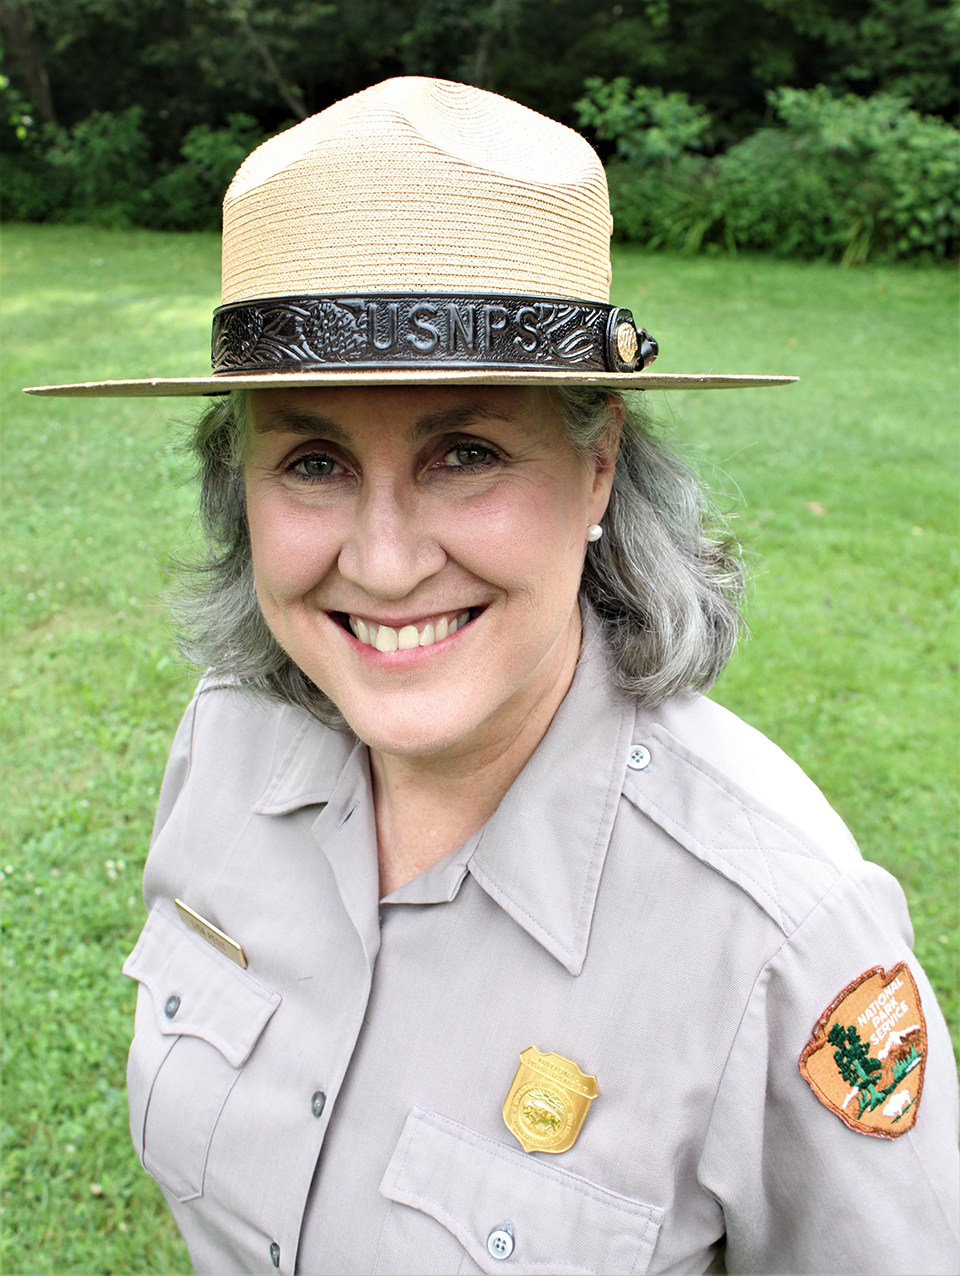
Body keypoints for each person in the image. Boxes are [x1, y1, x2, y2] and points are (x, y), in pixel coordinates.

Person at [27, 77, 958, 1276]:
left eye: (465, 453)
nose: (384, 558)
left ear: (599, 467)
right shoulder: (229, 738)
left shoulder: (779, 936)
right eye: (310, 459)